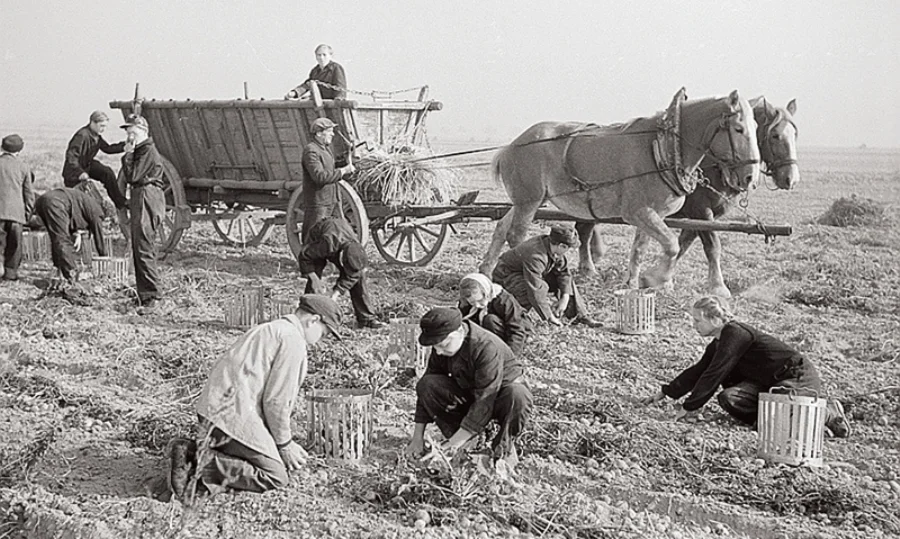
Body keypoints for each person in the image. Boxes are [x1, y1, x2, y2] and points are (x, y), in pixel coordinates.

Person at [168, 295, 342, 499]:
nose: (322, 340)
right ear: (313, 320)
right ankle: (193, 459)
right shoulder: (293, 341)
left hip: (211, 412)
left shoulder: (271, 328)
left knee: (266, 454)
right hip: (231, 419)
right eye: (324, 333)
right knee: (275, 476)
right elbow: (276, 402)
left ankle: (203, 455)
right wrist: (284, 445)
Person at [640, 296, 851, 438]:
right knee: (730, 399)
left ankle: (826, 412)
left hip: (793, 377)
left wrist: (689, 406)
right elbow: (699, 370)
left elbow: (715, 373)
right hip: (766, 383)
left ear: (715, 319)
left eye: (697, 321)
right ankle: (777, 421)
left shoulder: (735, 333)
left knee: (782, 413)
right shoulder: (718, 342)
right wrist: (665, 393)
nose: (694, 326)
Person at [404, 307, 532, 468]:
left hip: (498, 397)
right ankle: (466, 440)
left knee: (518, 395)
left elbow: (486, 399)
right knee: (428, 384)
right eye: (435, 347)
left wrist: (451, 445)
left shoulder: (485, 346)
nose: (438, 351)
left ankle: (502, 451)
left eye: (443, 345)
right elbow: (424, 391)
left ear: (458, 332)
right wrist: (417, 438)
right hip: (471, 393)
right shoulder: (443, 347)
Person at [491, 225, 601, 327]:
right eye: (568, 248)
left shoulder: (552, 246)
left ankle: (580, 316)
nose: (568, 251)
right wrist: (549, 316)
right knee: (537, 287)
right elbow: (535, 288)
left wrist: (565, 298)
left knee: (566, 281)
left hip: (527, 272)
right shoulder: (536, 255)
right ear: (562, 246)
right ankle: (516, 318)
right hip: (506, 276)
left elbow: (564, 273)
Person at [296, 216, 385, 329]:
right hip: (319, 236)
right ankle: (306, 315)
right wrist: (315, 279)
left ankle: (366, 318)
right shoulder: (327, 244)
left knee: (359, 276)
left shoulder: (355, 249)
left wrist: (335, 294)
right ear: (341, 258)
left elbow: (353, 275)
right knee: (315, 276)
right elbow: (305, 256)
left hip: (341, 240)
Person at [118, 114, 166, 308]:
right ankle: (144, 294)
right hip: (142, 196)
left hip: (147, 196)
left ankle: (152, 296)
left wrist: (128, 154)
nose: (129, 137)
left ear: (143, 132)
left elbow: (133, 176)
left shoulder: (146, 150)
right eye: (128, 133)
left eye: (133, 133)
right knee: (139, 246)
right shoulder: (142, 150)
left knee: (144, 246)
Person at [33, 184, 110, 287]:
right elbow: (98, 235)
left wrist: (76, 233)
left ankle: (58, 272)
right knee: (62, 240)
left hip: (44, 201)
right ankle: (72, 276)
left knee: (56, 238)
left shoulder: (88, 202)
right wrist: (104, 256)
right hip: (57, 203)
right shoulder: (97, 212)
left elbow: (74, 216)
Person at [62, 111, 128, 228]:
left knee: (107, 172)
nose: (103, 129)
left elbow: (107, 148)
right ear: (92, 122)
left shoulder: (96, 136)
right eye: (101, 126)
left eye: (105, 126)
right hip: (73, 171)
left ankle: (120, 202)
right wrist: (79, 173)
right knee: (80, 200)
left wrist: (124, 146)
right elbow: (71, 157)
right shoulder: (82, 135)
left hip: (87, 165)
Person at [300, 117, 355, 238]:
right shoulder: (311, 151)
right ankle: (307, 257)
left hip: (332, 201)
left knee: (334, 236)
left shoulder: (325, 150)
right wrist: (343, 171)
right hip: (319, 204)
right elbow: (319, 177)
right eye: (329, 131)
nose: (332, 134)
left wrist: (348, 161)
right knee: (313, 237)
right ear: (319, 133)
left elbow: (330, 168)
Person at [458, 272, 531, 356]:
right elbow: (461, 321)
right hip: (487, 331)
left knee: (490, 319)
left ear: (485, 292)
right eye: (472, 302)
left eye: (480, 300)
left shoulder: (503, 299)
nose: (477, 305)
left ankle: (497, 348)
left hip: (509, 331)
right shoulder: (465, 302)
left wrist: (510, 356)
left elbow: (517, 329)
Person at [0, 134, 35, 281]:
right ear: (19, 151)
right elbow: (29, 195)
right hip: (16, 214)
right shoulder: (23, 167)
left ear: (2, 148)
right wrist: (26, 215)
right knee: (14, 246)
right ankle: (10, 273)